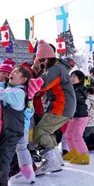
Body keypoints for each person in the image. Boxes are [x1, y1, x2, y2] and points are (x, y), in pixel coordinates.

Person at [32, 40, 76, 176]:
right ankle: (56, 160)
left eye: (41, 60)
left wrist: (25, 83)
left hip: (61, 106)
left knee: (41, 130)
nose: (41, 64)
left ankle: (51, 162)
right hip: (64, 106)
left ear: (46, 58)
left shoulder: (55, 69)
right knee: (48, 131)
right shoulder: (59, 67)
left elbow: (42, 83)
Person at [63, 70, 89, 164]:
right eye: (71, 76)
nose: (72, 78)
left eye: (74, 77)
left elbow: (74, 98)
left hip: (81, 116)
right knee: (68, 135)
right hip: (73, 115)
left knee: (77, 136)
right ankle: (74, 153)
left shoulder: (81, 89)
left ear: (80, 79)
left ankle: (83, 155)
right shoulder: (72, 87)